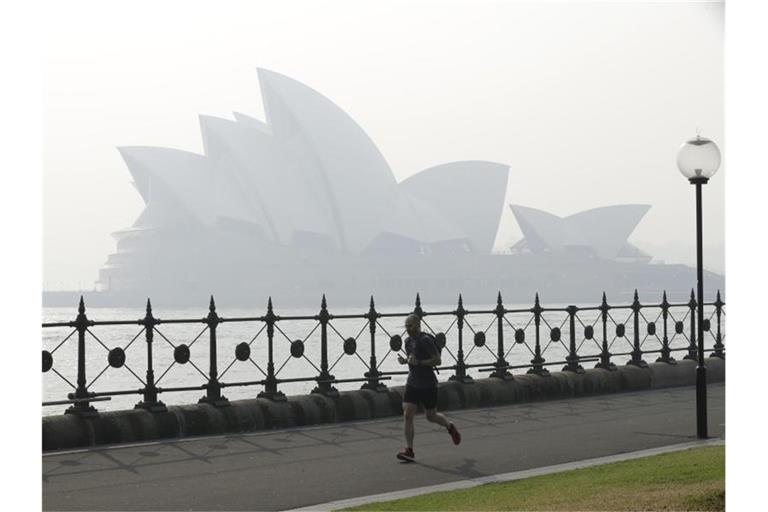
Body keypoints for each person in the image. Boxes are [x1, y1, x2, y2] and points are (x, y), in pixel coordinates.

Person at [396, 313, 461, 462]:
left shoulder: (425, 340)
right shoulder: (407, 342)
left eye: (410, 326)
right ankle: (409, 449)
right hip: (412, 383)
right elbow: (412, 359)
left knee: (431, 416)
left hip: (428, 384)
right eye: (406, 327)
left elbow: (437, 361)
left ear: (418, 325)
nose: (408, 329)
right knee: (407, 415)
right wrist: (405, 361)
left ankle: (450, 426)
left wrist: (420, 362)